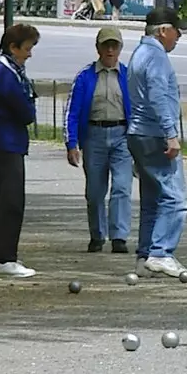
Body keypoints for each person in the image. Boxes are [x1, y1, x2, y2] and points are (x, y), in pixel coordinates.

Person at [129, 7, 187, 278]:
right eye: (177, 31)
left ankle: (146, 253)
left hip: (138, 132)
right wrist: (170, 133)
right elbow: (157, 95)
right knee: (176, 198)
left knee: (152, 198)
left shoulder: (139, 54)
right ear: (164, 30)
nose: (178, 37)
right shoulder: (156, 57)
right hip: (155, 133)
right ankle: (161, 252)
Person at [64, 26, 134, 254]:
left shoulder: (127, 75)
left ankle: (119, 236)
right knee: (95, 192)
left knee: (122, 187)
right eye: (106, 46)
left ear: (120, 49)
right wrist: (71, 143)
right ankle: (97, 235)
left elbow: (140, 108)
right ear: (98, 48)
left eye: (115, 46)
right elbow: (72, 112)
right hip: (94, 136)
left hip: (121, 136)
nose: (110, 50)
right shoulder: (85, 77)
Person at [0, 24, 40, 278]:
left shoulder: (12, 71)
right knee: (10, 202)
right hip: (5, 143)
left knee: (11, 200)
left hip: (10, 143)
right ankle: (4, 258)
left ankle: (6, 255)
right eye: (26, 49)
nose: (29, 54)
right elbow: (25, 111)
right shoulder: (5, 74)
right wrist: (29, 103)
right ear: (13, 48)